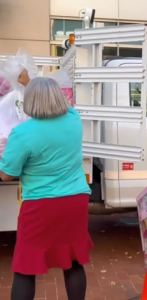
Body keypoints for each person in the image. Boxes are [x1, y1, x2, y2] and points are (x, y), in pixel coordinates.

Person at [0, 77, 94, 300]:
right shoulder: (73, 119)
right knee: (73, 262)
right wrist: (34, 81)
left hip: (41, 204)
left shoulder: (23, 133)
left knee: (26, 266)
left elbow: (6, 174)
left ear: (29, 101)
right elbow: (62, 104)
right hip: (75, 200)